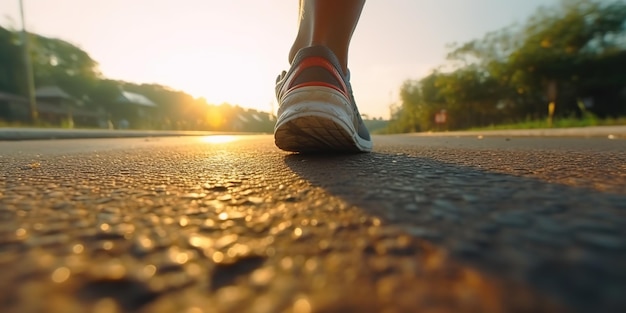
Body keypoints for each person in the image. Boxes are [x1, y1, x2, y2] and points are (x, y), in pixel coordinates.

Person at [274, 0, 372, 153]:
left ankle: (302, 69)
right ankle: (332, 67)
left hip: (297, 77)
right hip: (333, 74)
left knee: (309, 44)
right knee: (329, 48)